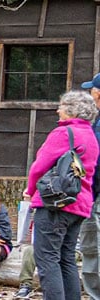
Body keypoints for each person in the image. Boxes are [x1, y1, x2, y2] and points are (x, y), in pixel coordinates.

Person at [26, 91, 98, 299]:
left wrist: (30, 190)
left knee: (47, 258)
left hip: (56, 203)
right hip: (80, 203)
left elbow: (39, 167)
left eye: (62, 106)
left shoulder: (63, 133)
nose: (58, 110)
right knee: (66, 258)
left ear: (72, 110)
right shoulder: (90, 135)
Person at [82, 73, 100, 300]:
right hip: (93, 191)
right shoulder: (95, 120)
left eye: (92, 90)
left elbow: (96, 161)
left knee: (93, 245)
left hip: (94, 191)